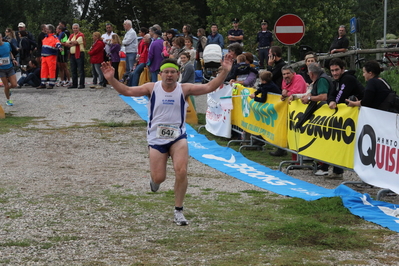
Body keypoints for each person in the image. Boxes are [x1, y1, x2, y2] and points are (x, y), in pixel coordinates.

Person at [100, 54, 234, 226]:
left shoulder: (184, 89)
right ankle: (154, 181)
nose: (169, 75)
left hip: (178, 137)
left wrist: (224, 71)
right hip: (156, 138)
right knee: (159, 178)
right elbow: (127, 91)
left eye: (173, 72)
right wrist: (111, 79)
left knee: (182, 171)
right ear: (160, 74)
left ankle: (179, 211)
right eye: (166, 72)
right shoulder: (152, 88)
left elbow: (209, 87)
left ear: (178, 74)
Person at [37, 24, 61, 89]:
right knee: (43, 70)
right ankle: (43, 83)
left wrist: (59, 47)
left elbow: (58, 42)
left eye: (47, 29)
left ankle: (51, 84)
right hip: (44, 56)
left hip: (51, 56)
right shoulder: (45, 38)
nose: (45, 30)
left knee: (51, 70)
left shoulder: (54, 37)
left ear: (50, 30)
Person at [0, 34, 18, 106]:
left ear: (1, 37)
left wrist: (13, 59)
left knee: (14, 84)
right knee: (6, 86)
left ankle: (7, 90)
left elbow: (10, 52)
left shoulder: (7, 44)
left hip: (9, 67)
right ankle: (8, 100)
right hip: (1, 69)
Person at [66, 23, 86, 89]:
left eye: (76, 28)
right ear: (72, 29)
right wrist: (71, 43)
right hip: (72, 54)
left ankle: (82, 84)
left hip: (79, 53)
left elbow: (76, 42)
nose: (75, 29)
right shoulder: (71, 35)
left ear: (78, 28)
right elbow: (67, 43)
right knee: (73, 70)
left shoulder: (81, 35)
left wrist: (71, 43)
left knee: (80, 70)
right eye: (74, 28)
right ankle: (74, 84)